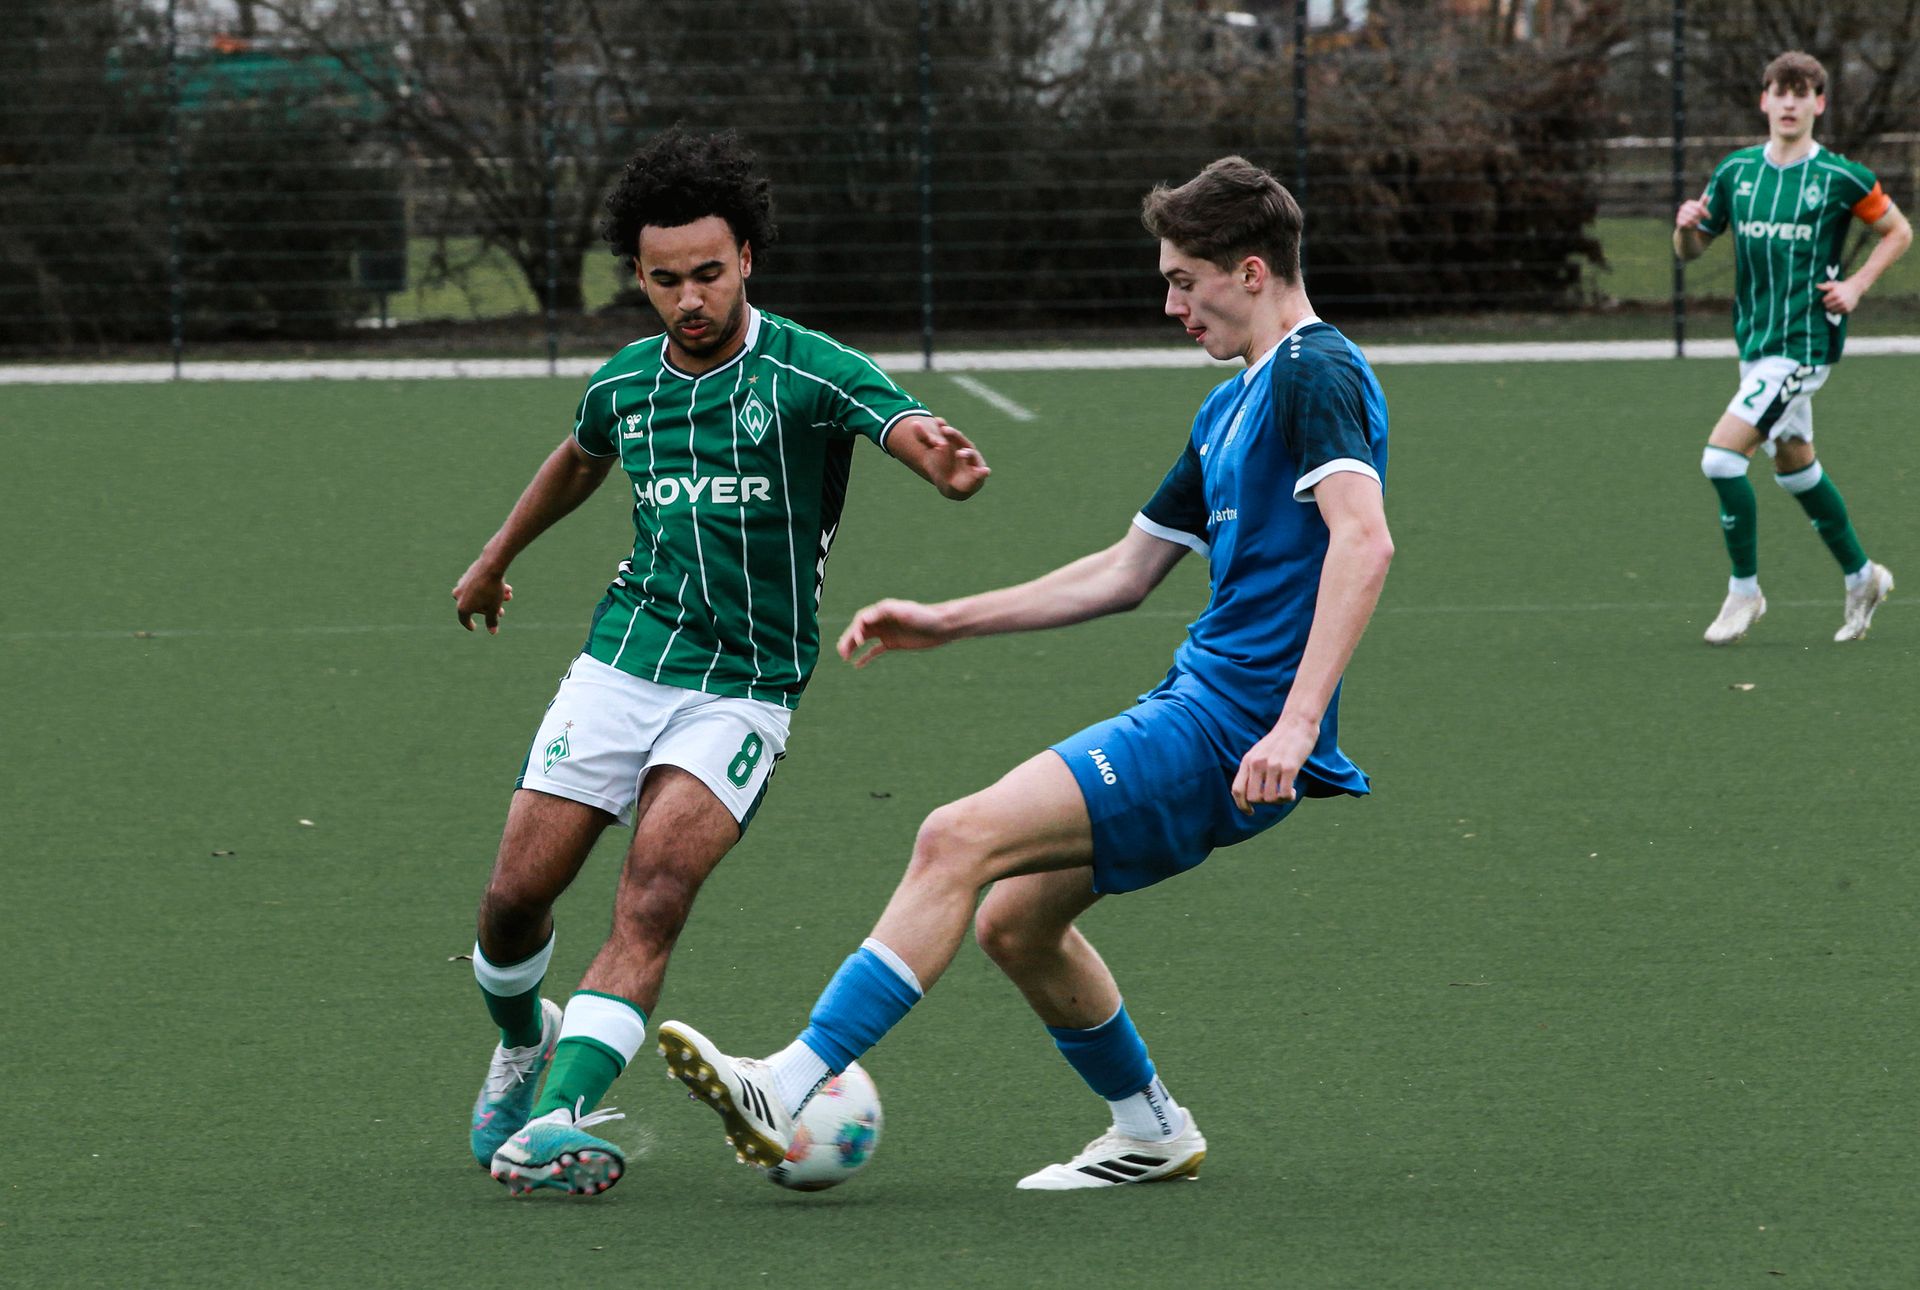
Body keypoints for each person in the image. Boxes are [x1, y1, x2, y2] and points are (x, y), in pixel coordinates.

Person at [657, 155, 1394, 1189]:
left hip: (1237, 727)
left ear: (1254, 270)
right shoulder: (1230, 406)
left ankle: (790, 1079)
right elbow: (1127, 570)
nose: (1170, 301)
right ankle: (1150, 1130)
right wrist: (946, 620)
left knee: (956, 836)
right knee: (1015, 919)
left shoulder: (1316, 372)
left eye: (1186, 280)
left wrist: (1298, 724)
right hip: (1207, 708)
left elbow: (1364, 542)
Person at [452, 127, 990, 1197]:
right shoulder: (625, 384)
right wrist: (493, 558)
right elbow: (578, 458)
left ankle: (554, 1116)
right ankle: (523, 1043)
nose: (689, 298)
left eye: (708, 272)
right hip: (622, 661)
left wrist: (941, 458)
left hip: (746, 687)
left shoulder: (806, 368)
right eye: (665, 280)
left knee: (652, 895)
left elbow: (900, 422)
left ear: (747, 256)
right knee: (513, 901)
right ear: (640, 279)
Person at [1675, 50, 1911, 645]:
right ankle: (1863, 577)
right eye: (1779, 91)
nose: (1789, 102)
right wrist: (1684, 226)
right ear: (1764, 100)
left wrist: (1857, 285)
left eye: (1801, 92)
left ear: (1819, 104)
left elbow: (1898, 230)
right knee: (1794, 464)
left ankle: (1744, 593)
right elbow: (1692, 250)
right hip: (1755, 341)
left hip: (1804, 344)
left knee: (1722, 458)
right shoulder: (1735, 174)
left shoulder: (1839, 177)